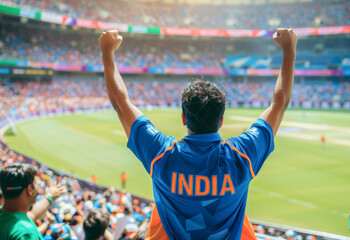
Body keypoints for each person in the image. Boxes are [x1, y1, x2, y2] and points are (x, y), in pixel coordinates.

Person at [98, 28, 297, 239]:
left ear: (184, 118)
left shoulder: (163, 155)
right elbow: (279, 104)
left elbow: (121, 103)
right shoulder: (241, 157)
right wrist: (289, 51)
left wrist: (107, 54)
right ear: (220, 121)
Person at [0, 163, 66, 239]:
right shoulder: (26, 233)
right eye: (35, 183)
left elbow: (31, 215)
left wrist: (49, 196)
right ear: (29, 189)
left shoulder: (7, 216)